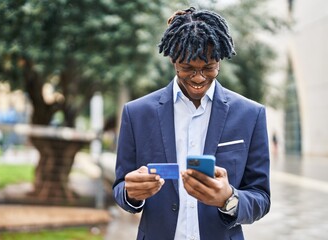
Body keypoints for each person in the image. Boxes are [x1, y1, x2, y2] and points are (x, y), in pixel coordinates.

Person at [112, 7, 270, 240]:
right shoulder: (136, 114)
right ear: (172, 60)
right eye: (188, 68)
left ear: (220, 61)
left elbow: (261, 197)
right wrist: (131, 194)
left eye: (208, 67)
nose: (198, 77)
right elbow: (120, 189)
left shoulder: (251, 114)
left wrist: (228, 199)